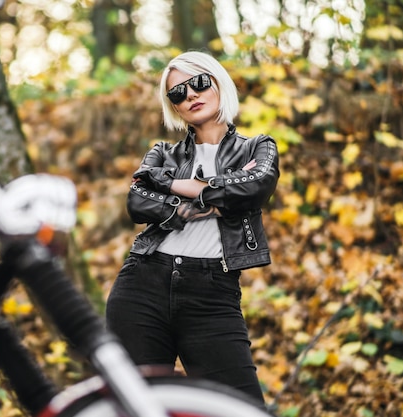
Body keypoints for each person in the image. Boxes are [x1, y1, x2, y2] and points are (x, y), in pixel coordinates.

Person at [105, 51, 279, 409]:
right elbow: (137, 202)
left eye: (198, 83)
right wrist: (215, 197)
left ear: (217, 82)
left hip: (212, 295)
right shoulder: (162, 153)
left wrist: (172, 185)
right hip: (142, 285)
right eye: (177, 93)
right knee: (137, 408)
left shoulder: (258, 146)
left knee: (243, 409)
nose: (190, 96)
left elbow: (256, 186)